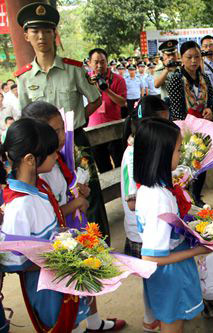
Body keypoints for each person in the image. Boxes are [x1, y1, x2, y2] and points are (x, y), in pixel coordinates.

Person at [22, 101, 127, 332]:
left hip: (73, 229)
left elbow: (62, 191)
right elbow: (46, 213)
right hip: (58, 240)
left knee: (88, 274)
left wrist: (78, 191)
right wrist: (74, 204)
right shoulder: (38, 171)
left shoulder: (56, 158)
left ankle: (94, 321)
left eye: (62, 128)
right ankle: (82, 324)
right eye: (56, 130)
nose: (62, 135)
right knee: (69, 295)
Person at [14, 2, 111, 243]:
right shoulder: (24, 78)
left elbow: (96, 99)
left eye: (46, 31)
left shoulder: (74, 69)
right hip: (43, 149)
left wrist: (78, 120)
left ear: (54, 35)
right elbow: (25, 116)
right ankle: (67, 245)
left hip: (75, 140)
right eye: (34, 32)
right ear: (26, 36)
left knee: (91, 191)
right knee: (52, 193)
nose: (41, 37)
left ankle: (100, 243)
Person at [0, 118, 90, 332]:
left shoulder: (39, 187)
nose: (57, 156)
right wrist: (61, 256)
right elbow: (14, 260)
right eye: (52, 153)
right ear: (30, 159)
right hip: (47, 289)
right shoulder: (19, 206)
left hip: (62, 277)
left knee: (73, 324)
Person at [133, 117, 211, 333]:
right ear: (161, 155)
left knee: (172, 320)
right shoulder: (159, 198)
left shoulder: (149, 188)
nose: (180, 154)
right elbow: (152, 257)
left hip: (169, 269)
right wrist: (200, 249)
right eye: (178, 150)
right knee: (173, 325)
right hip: (171, 272)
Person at [120, 96, 170, 332]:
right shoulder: (133, 155)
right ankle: (152, 318)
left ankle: (153, 316)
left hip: (150, 225)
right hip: (142, 229)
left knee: (153, 275)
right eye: (164, 123)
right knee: (152, 275)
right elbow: (133, 202)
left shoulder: (142, 148)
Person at [166, 41, 213, 207]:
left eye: (197, 57)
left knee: (201, 164)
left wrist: (210, 109)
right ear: (182, 58)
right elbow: (176, 109)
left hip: (203, 127)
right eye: (189, 57)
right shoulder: (175, 79)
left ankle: (197, 197)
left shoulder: (205, 78)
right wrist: (191, 125)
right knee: (185, 166)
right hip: (183, 129)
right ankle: (184, 200)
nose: (194, 61)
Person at [87, 48, 127, 173]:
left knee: (121, 165)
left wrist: (107, 90)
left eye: (102, 62)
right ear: (89, 63)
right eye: (96, 62)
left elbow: (122, 102)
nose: (99, 66)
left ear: (107, 62)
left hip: (114, 129)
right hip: (94, 131)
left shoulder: (118, 79)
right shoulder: (85, 79)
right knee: (103, 168)